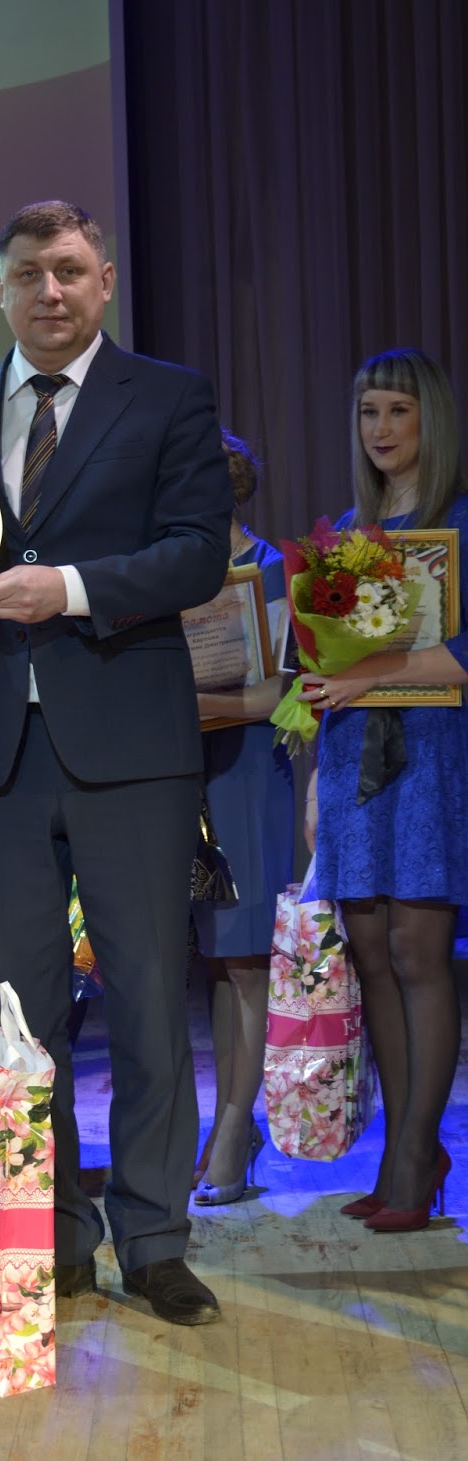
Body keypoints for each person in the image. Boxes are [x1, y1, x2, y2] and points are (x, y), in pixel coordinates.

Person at [0, 200, 232, 1323]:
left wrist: (71, 589)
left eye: (67, 270)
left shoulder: (170, 396)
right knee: (22, 1013)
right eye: (26, 274)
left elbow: (196, 555)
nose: (48, 292)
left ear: (104, 280)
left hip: (132, 747)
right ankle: (50, 1235)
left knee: (146, 1001)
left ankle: (153, 1238)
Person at [300, 347, 468, 1231]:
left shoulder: (460, 523)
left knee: (416, 952)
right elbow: (323, 666)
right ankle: (405, 1145)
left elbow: (462, 657)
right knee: (369, 953)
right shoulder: (346, 534)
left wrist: (363, 677)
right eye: (369, 412)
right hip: (352, 758)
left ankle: (413, 1157)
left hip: (431, 758)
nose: (382, 429)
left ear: (430, 420)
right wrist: (314, 773)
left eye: (399, 411)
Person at [192, 432, 295, 1203]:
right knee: (215, 960)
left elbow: (274, 695)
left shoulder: (271, 567)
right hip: (184, 775)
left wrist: (183, 702)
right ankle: (226, 1115)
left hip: (247, 774)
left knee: (246, 957)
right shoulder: (172, 572)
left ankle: (236, 1123)